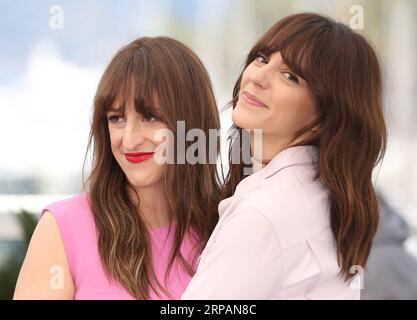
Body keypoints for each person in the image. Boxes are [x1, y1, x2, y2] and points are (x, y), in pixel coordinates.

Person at [182, 12, 387, 299]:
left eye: (290, 76)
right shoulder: (327, 200)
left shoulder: (263, 215)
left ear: (327, 116)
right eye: (262, 58)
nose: (257, 77)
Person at [14, 36, 222, 299]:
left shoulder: (224, 226)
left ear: (191, 126)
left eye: (150, 117)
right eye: (117, 118)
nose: (130, 139)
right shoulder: (62, 228)